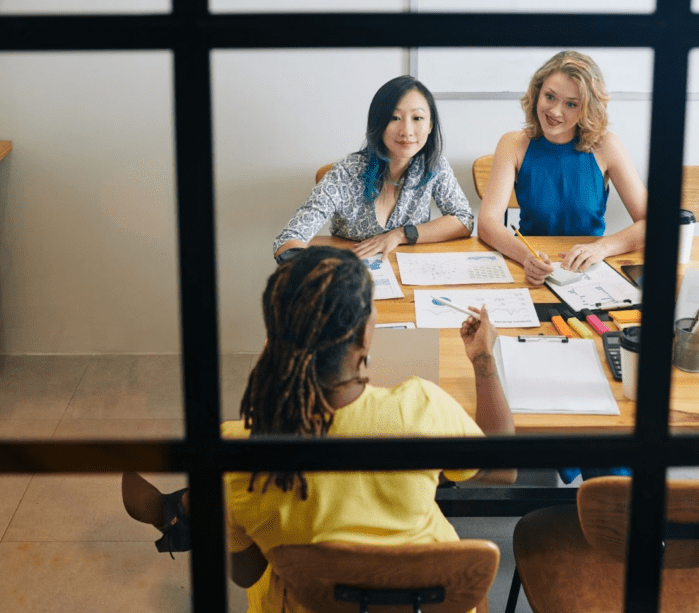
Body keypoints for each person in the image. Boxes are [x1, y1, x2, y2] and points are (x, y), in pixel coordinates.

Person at [122, 246, 515, 612]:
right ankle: (183, 512)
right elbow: (504, 469)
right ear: (365, 334)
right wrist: (483, 360)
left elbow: (245, 573)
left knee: (230, 497)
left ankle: (183, 514)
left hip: (306, 603)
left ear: (273, 341)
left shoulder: (240, 448)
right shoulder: (422, 410)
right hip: (421, 600)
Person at [478, 51, 648, 285]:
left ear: (587, 108)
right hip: (533, 267)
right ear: (537, 93)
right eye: (550, 97)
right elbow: (487, 223)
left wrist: (602, 248)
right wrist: (526, 257)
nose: (555, 112)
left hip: (589, 271)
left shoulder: (607, 145)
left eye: (571, 104)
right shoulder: (512, 144)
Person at [273, 76, 474, 262]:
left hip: (408, 276)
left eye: (417, 118)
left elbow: (463, 220)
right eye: (395, 118)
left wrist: (400, 235)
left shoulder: (433, 165)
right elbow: (289, 240)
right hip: (354, 278)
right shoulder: (346, 174)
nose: (407, 131)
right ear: (378, 123)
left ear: (430, 125)